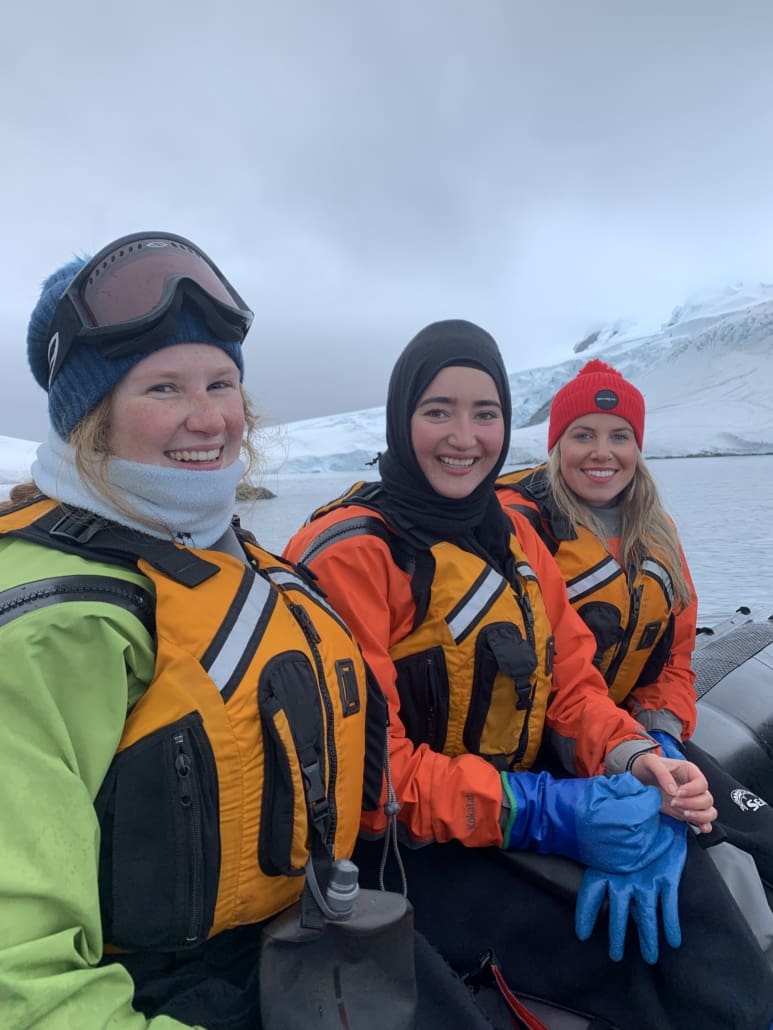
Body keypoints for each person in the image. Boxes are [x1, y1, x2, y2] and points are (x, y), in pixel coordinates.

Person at [0, 234, 490, 1030]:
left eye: (221, 383)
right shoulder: (59, 628)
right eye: (163, 387)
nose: (208, 418)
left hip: (293, 950)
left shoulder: (240, 563)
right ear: (91, 417)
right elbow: (20, 980)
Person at [283, 319, 773, 1030]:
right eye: (437, 411)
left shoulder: (508, 539)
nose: (463, 435)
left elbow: (571, 685)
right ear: (401, 418)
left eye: (484, 414)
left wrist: (635, 756)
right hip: (412, 846)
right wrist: (551, 813)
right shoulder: (351, 555)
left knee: (698, 923)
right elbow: (372, 780)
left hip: (518, 798)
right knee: (611, 964)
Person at [496, 356, 773, 951]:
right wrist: (639, 764)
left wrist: (663, 741)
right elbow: (557, 677)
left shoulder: (657, 531)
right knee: (699, 874)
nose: (603, 452)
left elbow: (674, 660)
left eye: (620, 436)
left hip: (635, 738)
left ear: (638, 446)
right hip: (552, 745)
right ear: (556, 444)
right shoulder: (522, 526)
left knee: (753, 832)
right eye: (583, 435)